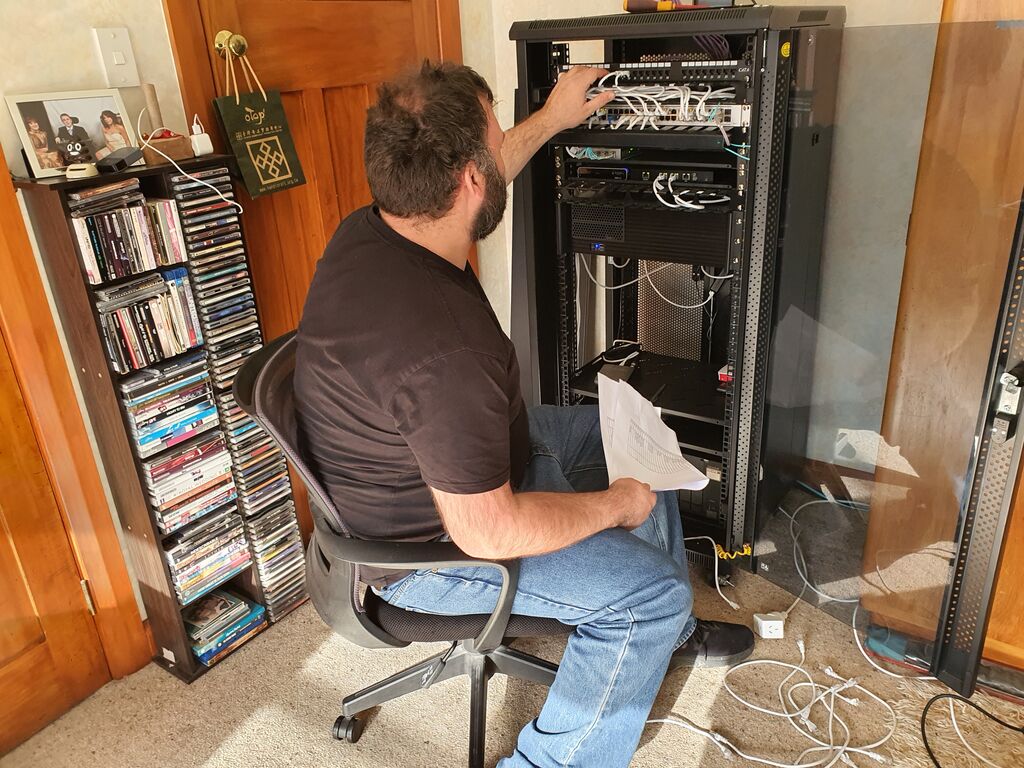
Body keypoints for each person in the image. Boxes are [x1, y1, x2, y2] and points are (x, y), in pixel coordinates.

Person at [294, 61, 754, 768]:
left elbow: (484, 166)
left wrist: (555, 116)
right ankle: (562, 740)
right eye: (497, 136)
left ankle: (660, 630)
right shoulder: (443, 350)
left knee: (620, 428)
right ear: (470, 182)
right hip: (428, 552)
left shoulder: (374, 227)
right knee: (651, 577)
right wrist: (614, 507)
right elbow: (488, 528)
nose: (502, 148)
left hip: (448, 470)